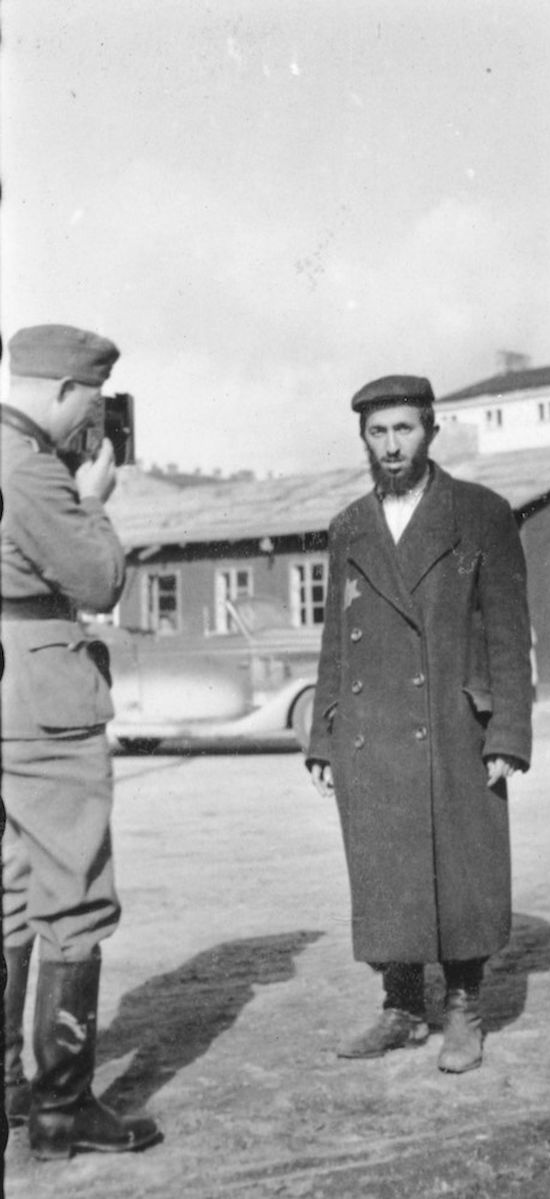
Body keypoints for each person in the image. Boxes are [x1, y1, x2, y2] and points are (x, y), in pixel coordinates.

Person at [307, 374, 533, 1073]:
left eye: (404, 429)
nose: (392, 446)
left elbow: (507, 630)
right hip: (372, 730)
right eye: (378, 433)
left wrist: (509, 735)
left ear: (431, 429)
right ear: (364, 440)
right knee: (383, 868)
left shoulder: (481, 512)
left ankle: (464, 1006)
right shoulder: (348, 525)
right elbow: (336, 639)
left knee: (462, 866)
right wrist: (323, 733)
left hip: (453, 724)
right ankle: (402, 1006)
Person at [1, 325, 160, 1159]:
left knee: (14, 886)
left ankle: (14, 1088)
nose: (90, 423)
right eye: (91, 404)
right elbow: (97, 581)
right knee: (73, 890)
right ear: (67, 388)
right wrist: (92, 498)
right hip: (40, 688)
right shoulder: (29, 468)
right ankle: (61, 1106)